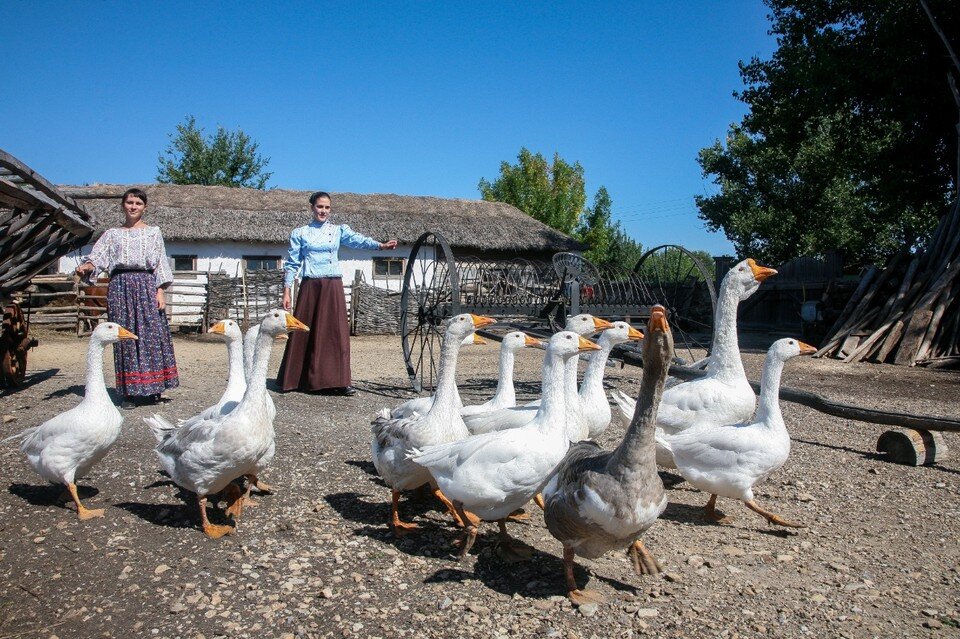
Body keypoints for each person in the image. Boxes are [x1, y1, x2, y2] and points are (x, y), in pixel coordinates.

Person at [277, 191, 397, 395]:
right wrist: (287, 290)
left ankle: (339, 382)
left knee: (335, 334)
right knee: (306, 331)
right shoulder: (300, 233)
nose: (323, 211)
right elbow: (292, 263)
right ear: (312, 207)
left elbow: (359, 241)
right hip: (310, 287)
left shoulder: (339, 230)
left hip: (332, 285)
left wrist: (381, 246)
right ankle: (301, 380)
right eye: (319, 207)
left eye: (327, 207)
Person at [75, 188, 179, 407]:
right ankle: (128, 393)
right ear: (123, 205)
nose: (133, 207)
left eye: (138, 203)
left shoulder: (153, 232)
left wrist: (160, 291)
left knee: (150, 335)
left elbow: (160, 262)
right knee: (124, 337)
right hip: (120, 287)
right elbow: (98, 257)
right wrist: (87, 266)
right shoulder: (112, 234)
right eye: (130, 202)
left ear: (144, 207)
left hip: (146, 285)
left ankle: (152, 389)